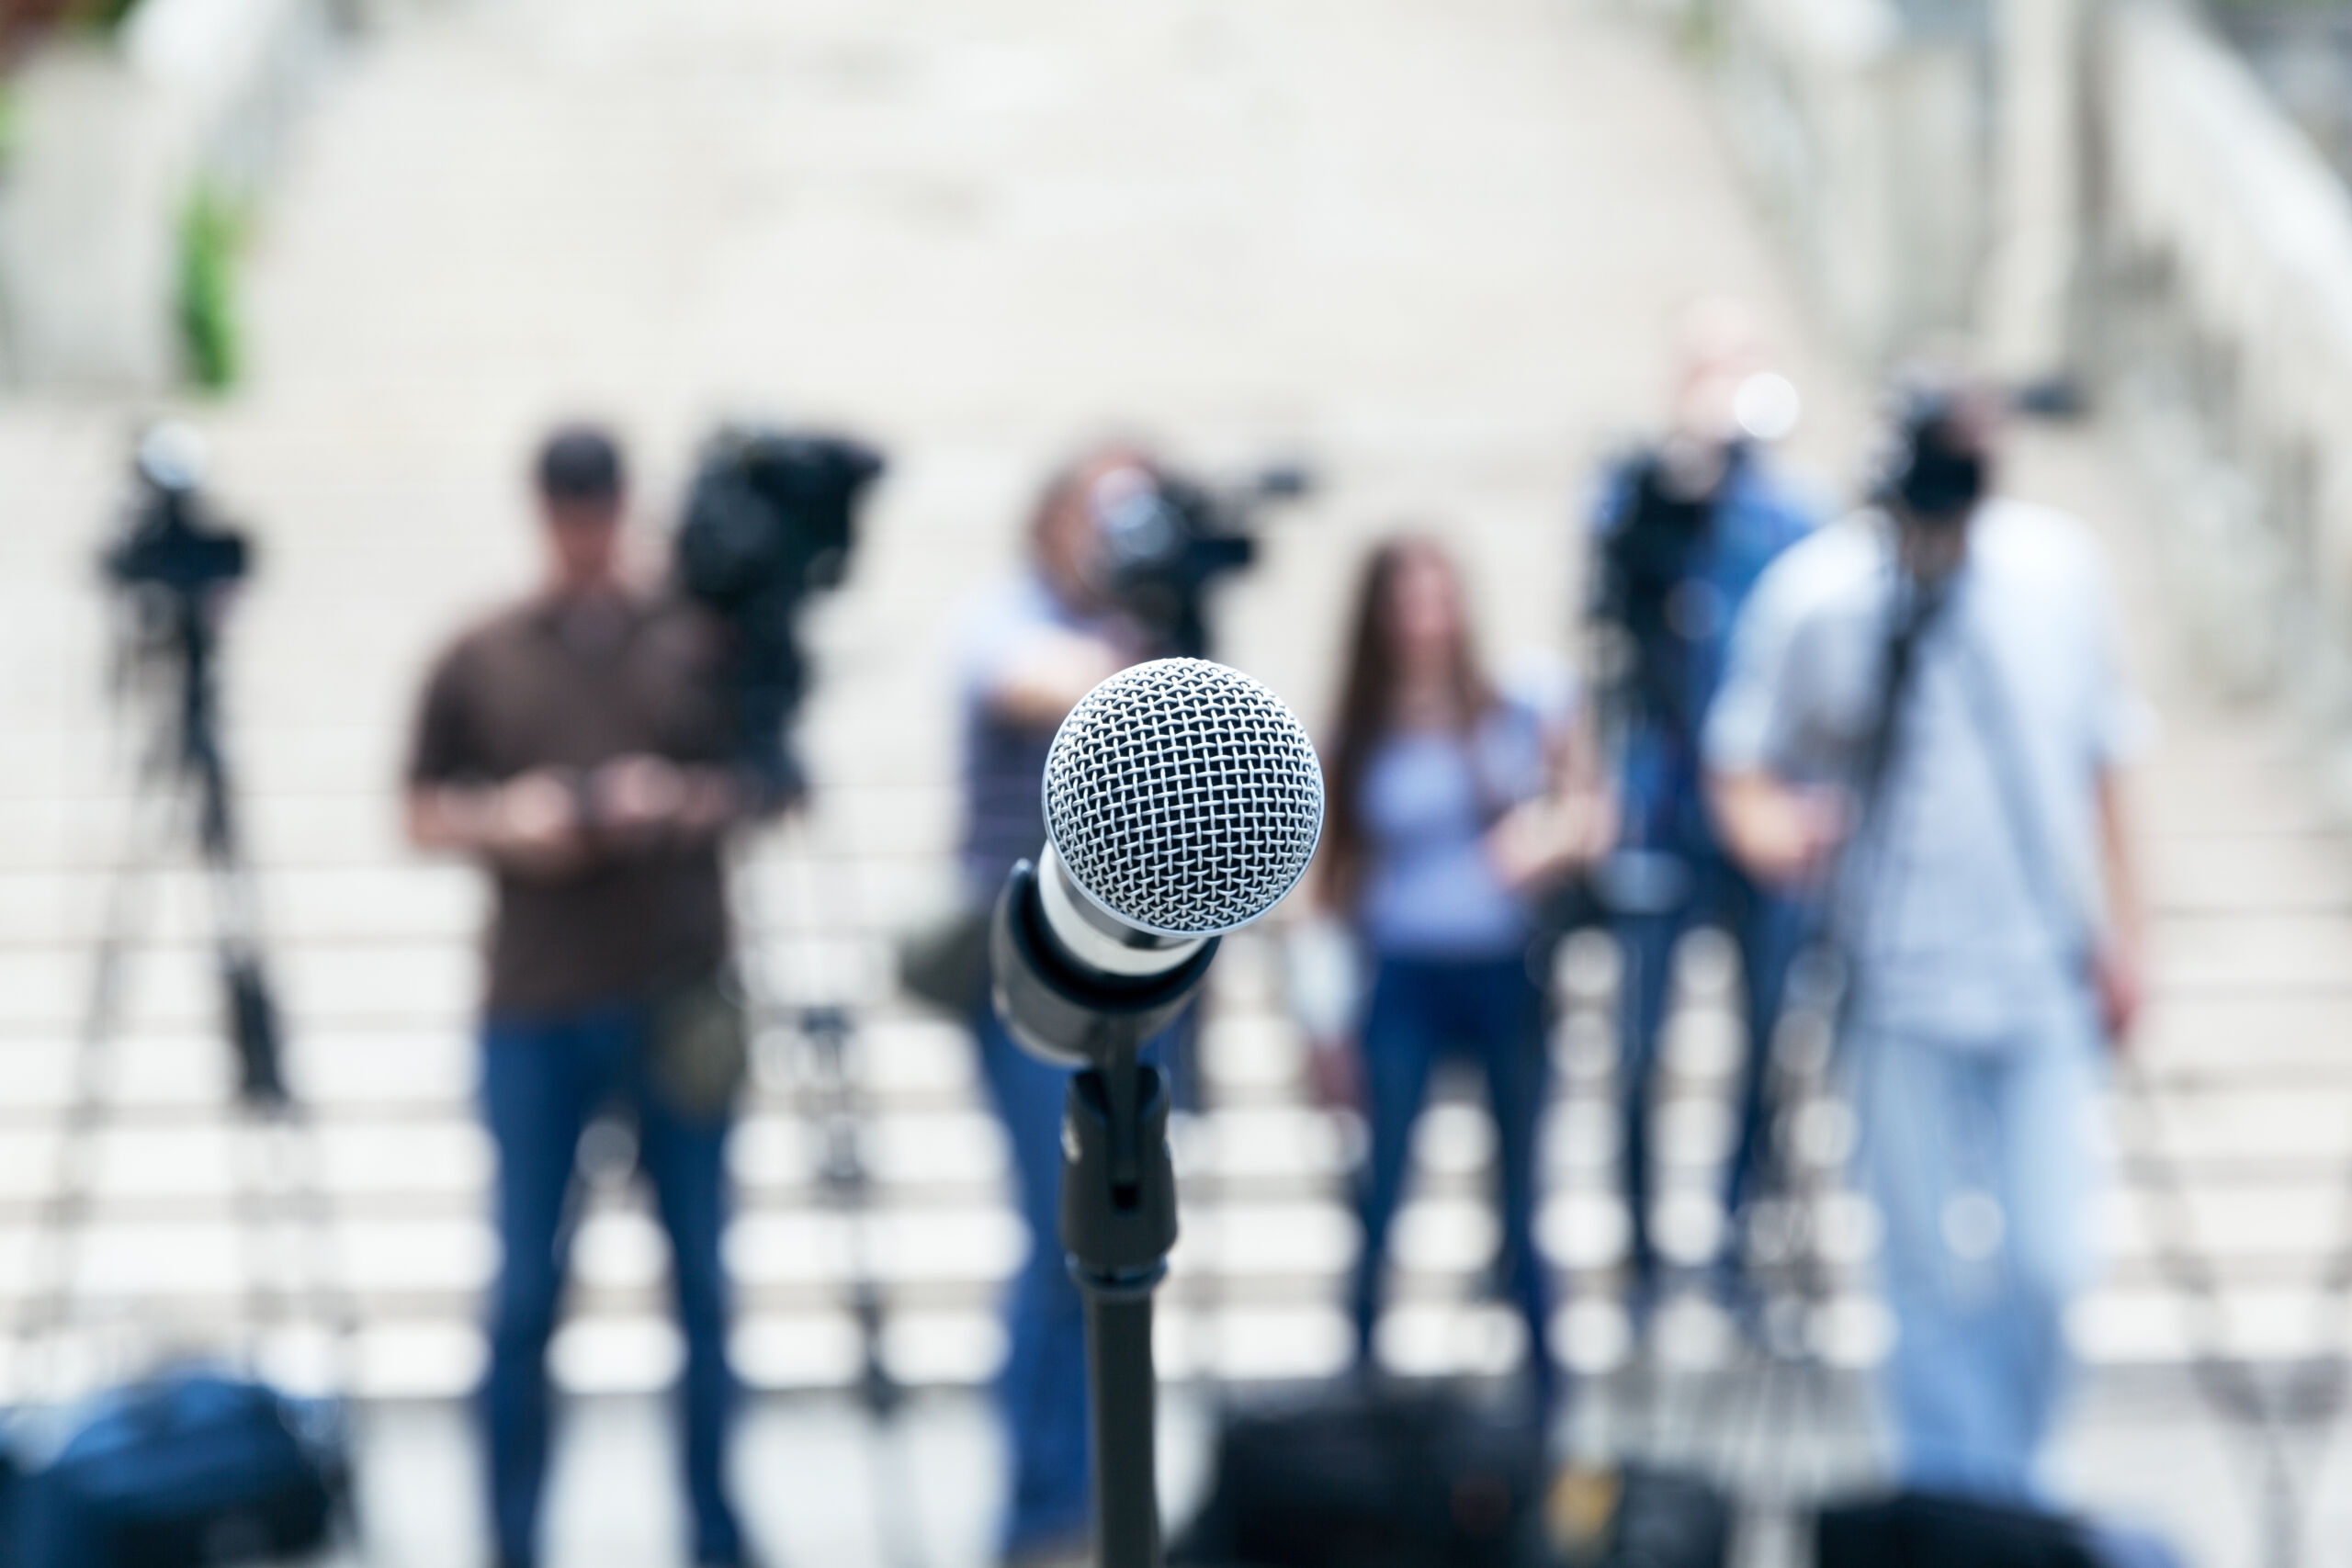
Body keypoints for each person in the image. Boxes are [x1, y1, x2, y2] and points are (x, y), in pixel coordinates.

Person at [1704, 379, 2147, 1501]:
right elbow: (1743, 762)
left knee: (2049, 1263)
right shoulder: (1823, 596)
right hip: (1890, 978)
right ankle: (1946, 1502)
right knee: (1921, 1272)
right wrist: (1781, 834)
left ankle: (2013, 1488)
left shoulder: (2057, 572)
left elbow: (2105, 763)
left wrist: (2127, 932)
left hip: (2040, 973)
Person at [405, 425, 758, 1568]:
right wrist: (514, 822)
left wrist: (674, 801)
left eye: (601, 504)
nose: (587, 527)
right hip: (536, 1003)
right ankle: (509, 1540)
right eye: (569, 506)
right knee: (521, 1296)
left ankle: (716, 1530)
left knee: (704, 1285)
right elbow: (420, 805)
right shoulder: (482, 650)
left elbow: (768, 781)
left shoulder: (693, 641)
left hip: (679, 990)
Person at [1309, 535, 1605, 1407]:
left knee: (1521, 1190)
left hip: (1504, 969)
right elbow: (1327, 887)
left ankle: (1547, 1401)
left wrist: (1546, 836)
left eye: (1441, 597)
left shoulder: (1516, 707)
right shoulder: (1356, 731)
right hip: (1402, 971)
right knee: (1384, 1183)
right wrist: (1321, 1020)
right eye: (1409, 600)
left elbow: (1591, 809)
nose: (1428, 619)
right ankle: (1357, 1386)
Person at [956, 443, 1176, 1568]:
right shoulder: (1011, 620)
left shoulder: (1159, 631)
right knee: (1059, 1234)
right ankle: (1039, 1509)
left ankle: (1095, 1493)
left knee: (1121, 1236)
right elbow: (1039, 683)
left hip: (1141, 970)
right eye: (1107, 510)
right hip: (1031, 972)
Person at [1587, 299, 1820, 1313]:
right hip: (1660, 808)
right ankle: (1638, 1251)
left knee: (1766, 1039)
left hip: (1760, 819)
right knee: (1639, 1043)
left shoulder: (1795, 516)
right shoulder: (1637, 498)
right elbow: (1608, 608)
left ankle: (1734, 1247)